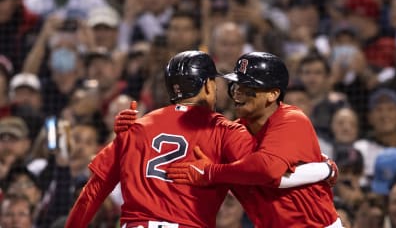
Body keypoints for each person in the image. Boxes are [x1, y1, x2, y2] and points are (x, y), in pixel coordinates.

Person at [66, 51, 338, 227]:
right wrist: (323, 167)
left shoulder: (136, 128)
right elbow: (268, 171)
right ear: (208, 85)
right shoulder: (226, 131)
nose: (236, 92)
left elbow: (92, 192)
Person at [166, 52, 341, 227]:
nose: (238, 93)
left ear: (273, 94)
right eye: (236, 85)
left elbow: (266, 170)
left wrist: (211, 172)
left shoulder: (292, 119)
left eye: (248, 88)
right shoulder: (231, 132)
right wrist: (139, 132)